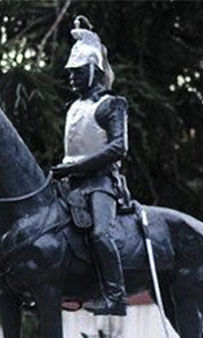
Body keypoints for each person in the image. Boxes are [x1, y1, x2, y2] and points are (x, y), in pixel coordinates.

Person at [50, 17, 128, 316]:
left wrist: (76, 168)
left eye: (78, 71)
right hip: (70, 183)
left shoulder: (112, 104)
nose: (71, 76)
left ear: (94, 69)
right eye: (70, 72)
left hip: (100, 182)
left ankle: (116, 297)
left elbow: (118, 148)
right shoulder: (73, 108)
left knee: (100, 235)